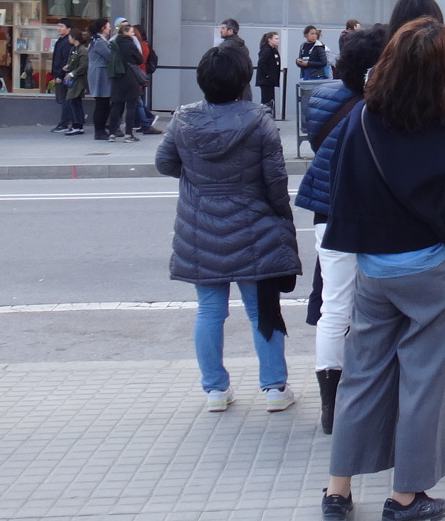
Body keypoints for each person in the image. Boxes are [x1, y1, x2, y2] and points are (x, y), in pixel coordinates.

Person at [320, 18, 445, 521]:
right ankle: (405, 498)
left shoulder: (363, 117)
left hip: (373, 268)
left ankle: (337, 491)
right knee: (422, 380)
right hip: (430, 267)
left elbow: (340, 178)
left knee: (361, 375)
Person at [158, 44, 300, 415]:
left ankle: (216, 390)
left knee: (209, 311)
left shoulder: (183, 119)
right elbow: (276, 182)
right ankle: (274, 388)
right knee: (261, 310)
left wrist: (198, 179)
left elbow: (164, 162)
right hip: (254, 227)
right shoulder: (260, 120)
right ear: (244, 80)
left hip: (200, 225)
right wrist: (282, 220)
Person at [296, 25, 391, 434]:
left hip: (329, 211)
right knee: (385, 310)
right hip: (376, 214)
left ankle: (331, 407)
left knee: (334, 308)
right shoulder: (385, 107)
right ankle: (379, 401)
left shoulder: (321, 99)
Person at [107, 22, 143, 142]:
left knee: (116, 105)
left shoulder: (114, 43)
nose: (133, 34)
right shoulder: (130, 44)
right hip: (129, 77)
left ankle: (112, 133)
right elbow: (140, 59)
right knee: (131, 106)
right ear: (125, 32)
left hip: (117, 77)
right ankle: (128, 134)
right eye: (132, 32)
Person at [88, 18, 115, 141]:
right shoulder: (99, 41)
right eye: (108, 26)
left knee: (104, 103)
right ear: (103, 28)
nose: (110, 28)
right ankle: (99, 131)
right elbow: (110, 56)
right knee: (101, 103)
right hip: (100, 74)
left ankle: (102, 129)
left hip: (102, 73)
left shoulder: (101, 40)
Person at [62, 28, 89, 135]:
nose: (68, 39)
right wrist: (68, 66)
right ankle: (78, 124)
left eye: (70, 37)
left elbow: (83, 65)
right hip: (73, 79)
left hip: (78, 80)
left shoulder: (81, 49)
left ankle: (76, 124)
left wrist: (72, 73)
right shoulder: (74, 49)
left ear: (74, 38)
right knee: (75, 102)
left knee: (72, 101)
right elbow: (73, 61)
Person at [50, 20, 75, 132]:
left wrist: (59, 75)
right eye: (58, 26)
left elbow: (66, 60)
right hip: (59, 74)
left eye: (61, 26)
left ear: (68, 29)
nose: (58, 28)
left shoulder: (67, 43)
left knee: (65, 99)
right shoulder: (60, 40)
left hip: (64, 76)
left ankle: (65, 123)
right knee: (63, 99)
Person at [256, 31, 283, 113]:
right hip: (266, 81)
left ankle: (269, 116)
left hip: (270, 81)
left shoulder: (273, 50)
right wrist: (267, 75)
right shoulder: (266, 50)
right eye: (276, 39)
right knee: (266, 101)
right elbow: (261, 63)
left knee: (270, 100)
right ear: (269, 40)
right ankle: (265, 117)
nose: (278, 40)